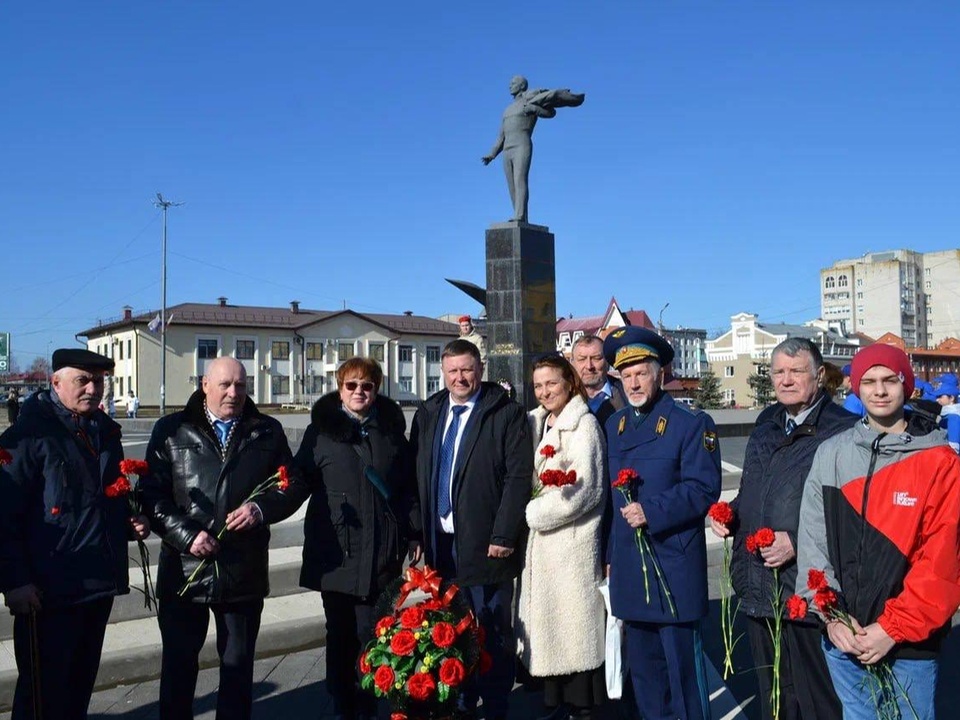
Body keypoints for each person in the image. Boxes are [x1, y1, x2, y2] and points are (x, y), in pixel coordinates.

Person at [797, 344, 960, 719]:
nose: (880, 390)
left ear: (909, 385)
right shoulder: (832, 454)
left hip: (908, 645)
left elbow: (942, 563)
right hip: (846, 635)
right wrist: (831, 614)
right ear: (856, 387)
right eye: (869, 381)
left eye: (890, 379)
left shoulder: (940, 462)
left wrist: (892, 628)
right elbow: (812, 540)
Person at [143, 357, 303, 720]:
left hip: (241, 570)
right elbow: (151, 495)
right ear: (204, 384)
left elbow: (292, 484)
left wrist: (260, 510)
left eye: (241, 386)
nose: (234, 393)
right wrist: (186, 536)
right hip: (186, 572)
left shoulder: (266, 431)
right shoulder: (172, 430)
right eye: (225, 385)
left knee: (237, 667)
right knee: (179, 668)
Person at [0, 348, 150, 719]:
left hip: (96, 583)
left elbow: (104, 495)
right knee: (41, 696)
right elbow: (4, 515)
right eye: (82, 380)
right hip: (47, 591)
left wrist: (131, 520)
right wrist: (14, 581)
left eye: (98, 381)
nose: (92, 389)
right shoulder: (28, 436)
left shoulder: (104, 431)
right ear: (55, 382)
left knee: (79, 687)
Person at [710, 338, 856, 720]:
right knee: (774, 697)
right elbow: (752, 495)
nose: (786, 380)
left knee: (820, 700)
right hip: (761, 586)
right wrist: (730, 514)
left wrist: (797, 540)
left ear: (820, 376)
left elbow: (851, 515)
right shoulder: (765, 426)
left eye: (796, 371)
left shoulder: (842, 430)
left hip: (808, 591)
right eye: (778, 372)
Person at [409, 339, 533, 720]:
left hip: (486, 543)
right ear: (443, 373)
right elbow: (415, 477)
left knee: (492, 630)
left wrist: (503, 535)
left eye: (467, 369)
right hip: (441, 543)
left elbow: (517, 478)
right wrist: (417, 534)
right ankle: (462, 699)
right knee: (454, 627)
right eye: (452, 371)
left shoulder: (505, 413)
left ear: (480, 370)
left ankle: (496, 705)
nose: (460, 377)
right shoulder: (429, 413)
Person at [292, 357, 421, 720]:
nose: (359, 392)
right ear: (339, 387)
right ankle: (342, 702)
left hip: (382, 551)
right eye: (351, 385)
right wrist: (260, 508)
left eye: (367, 386)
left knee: (372, 632)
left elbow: (406, 486)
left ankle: (368, 702)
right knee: (339, 634)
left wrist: (414, 530)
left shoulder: (391, 432)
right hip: (337, 551)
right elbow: (298, 479)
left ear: (376, 389)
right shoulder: (320, 434)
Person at [603, 327, 721, 720]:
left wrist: (652, 511)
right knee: (647, 682)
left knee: (683, 679)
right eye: (626, 374)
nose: (633, 382)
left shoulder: (690, 423)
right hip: (630, 571)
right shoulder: (614, 427)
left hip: (672, 566)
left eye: (641, 372)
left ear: (660, 374)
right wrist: (607, 557)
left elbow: (704, 488)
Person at [518, 355, 607, 720]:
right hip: (545, 550)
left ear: (569, 382)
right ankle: (558, 706)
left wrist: (533, 513)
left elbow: (586, 490)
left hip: (570, 547)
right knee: (553, 634)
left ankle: (582, 709)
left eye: (551, 383)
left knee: (574, 636)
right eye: (538, 385)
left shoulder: (582, 425)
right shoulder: (538, 423)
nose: (544, 392)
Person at [482, 75, 585, 223]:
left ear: (522, 86)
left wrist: (533, 108)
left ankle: (519, 215)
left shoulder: (530, 100)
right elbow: (501, 137)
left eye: (513, 83)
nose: (510, 86)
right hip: (507, 150)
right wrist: (491, 154)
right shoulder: (507, 110)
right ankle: (520, 217)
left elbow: (551, 113)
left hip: (521, 145)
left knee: (519, 180)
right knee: (511, 186)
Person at [571, 334, 628, 426]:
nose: (589, 366)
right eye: (582, 359)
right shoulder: (561, 398)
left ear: (607, 362)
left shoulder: (628, 394)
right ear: (572, 363)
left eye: (596, 358)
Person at [934, 373, 960, 453]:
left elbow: (953, 449)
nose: (937, 400)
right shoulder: (946, 415)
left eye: (940, 396)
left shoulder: (953, 418)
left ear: (951, 398)